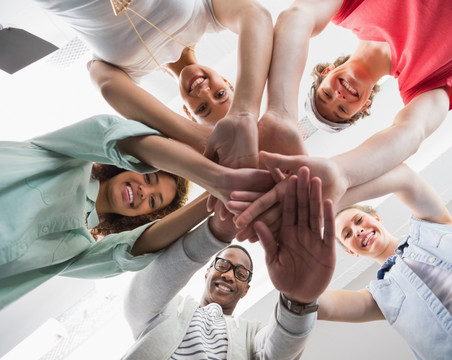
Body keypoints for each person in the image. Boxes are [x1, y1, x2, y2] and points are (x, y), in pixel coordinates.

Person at [252, 0, 452, 210]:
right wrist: (341, 172)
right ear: (363, 108)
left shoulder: (349, 10)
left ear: (326, 71)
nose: (338, 98)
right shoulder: (425, 83)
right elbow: (411, 132)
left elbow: (297, 15)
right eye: (342, 111)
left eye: (325, 95)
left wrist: (280, 113)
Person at [0, 113, 274, 309]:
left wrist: (216, 197)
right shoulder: (70, 158)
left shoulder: (75, 250)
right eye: (149, 178)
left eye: (153, 202)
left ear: (142, 218)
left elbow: (131, 251)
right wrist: (216, 177)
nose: (145, 191)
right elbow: (109, 134)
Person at [314, 163, 452, 359]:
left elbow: (404, 178)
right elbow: (319, 306)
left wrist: (329, 200)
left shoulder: (431, 227)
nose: (358, 230)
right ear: (351, 252)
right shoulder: (380, 298)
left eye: (359, 220)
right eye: (346, 234)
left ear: (377, 218)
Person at [122, 166, 336, 359]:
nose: (229, 275)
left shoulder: (251, 337)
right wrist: (219, 230)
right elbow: (145, 292)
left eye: (241, 274)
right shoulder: (170, 309)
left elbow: (277, 352)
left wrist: (299, 301)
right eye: (223, 266)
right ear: (207, 272)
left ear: (245, 290)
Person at [32, 0, 273, 167]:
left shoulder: (127, 73)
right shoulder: (207, 15)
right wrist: (245, 112)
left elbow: (107, 87)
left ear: (187, 111)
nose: (204, 92)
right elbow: (256, 15)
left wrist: (201, 140)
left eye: (202, 109)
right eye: (220, 94)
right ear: (227, 81)